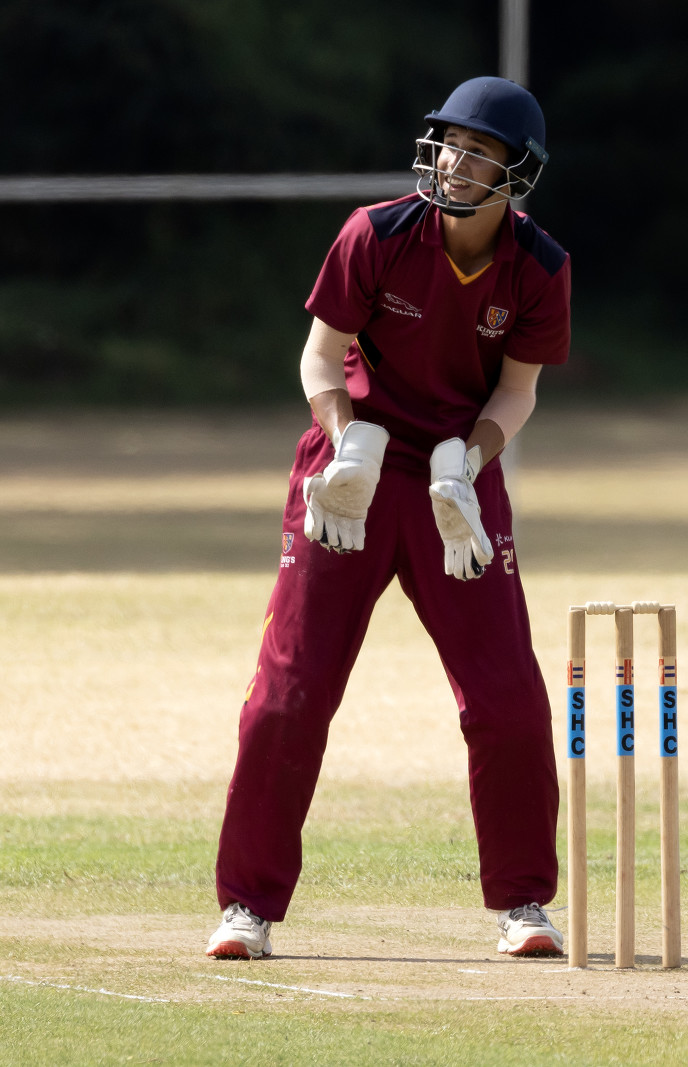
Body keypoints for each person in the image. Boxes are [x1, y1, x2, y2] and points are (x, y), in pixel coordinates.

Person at [205, 76, 572, 961]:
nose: (454, 162)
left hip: (454, 488)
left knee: (507, 698)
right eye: (449, 144)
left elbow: (517, 391)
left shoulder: (539, 266)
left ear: (515, 173)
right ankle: (246, 905)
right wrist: (346, 447)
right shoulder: (375, 233)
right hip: (349, 479)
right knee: (290, 692)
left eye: (478, 152)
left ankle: (522, 901)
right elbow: (320, 356)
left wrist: (468, 463)